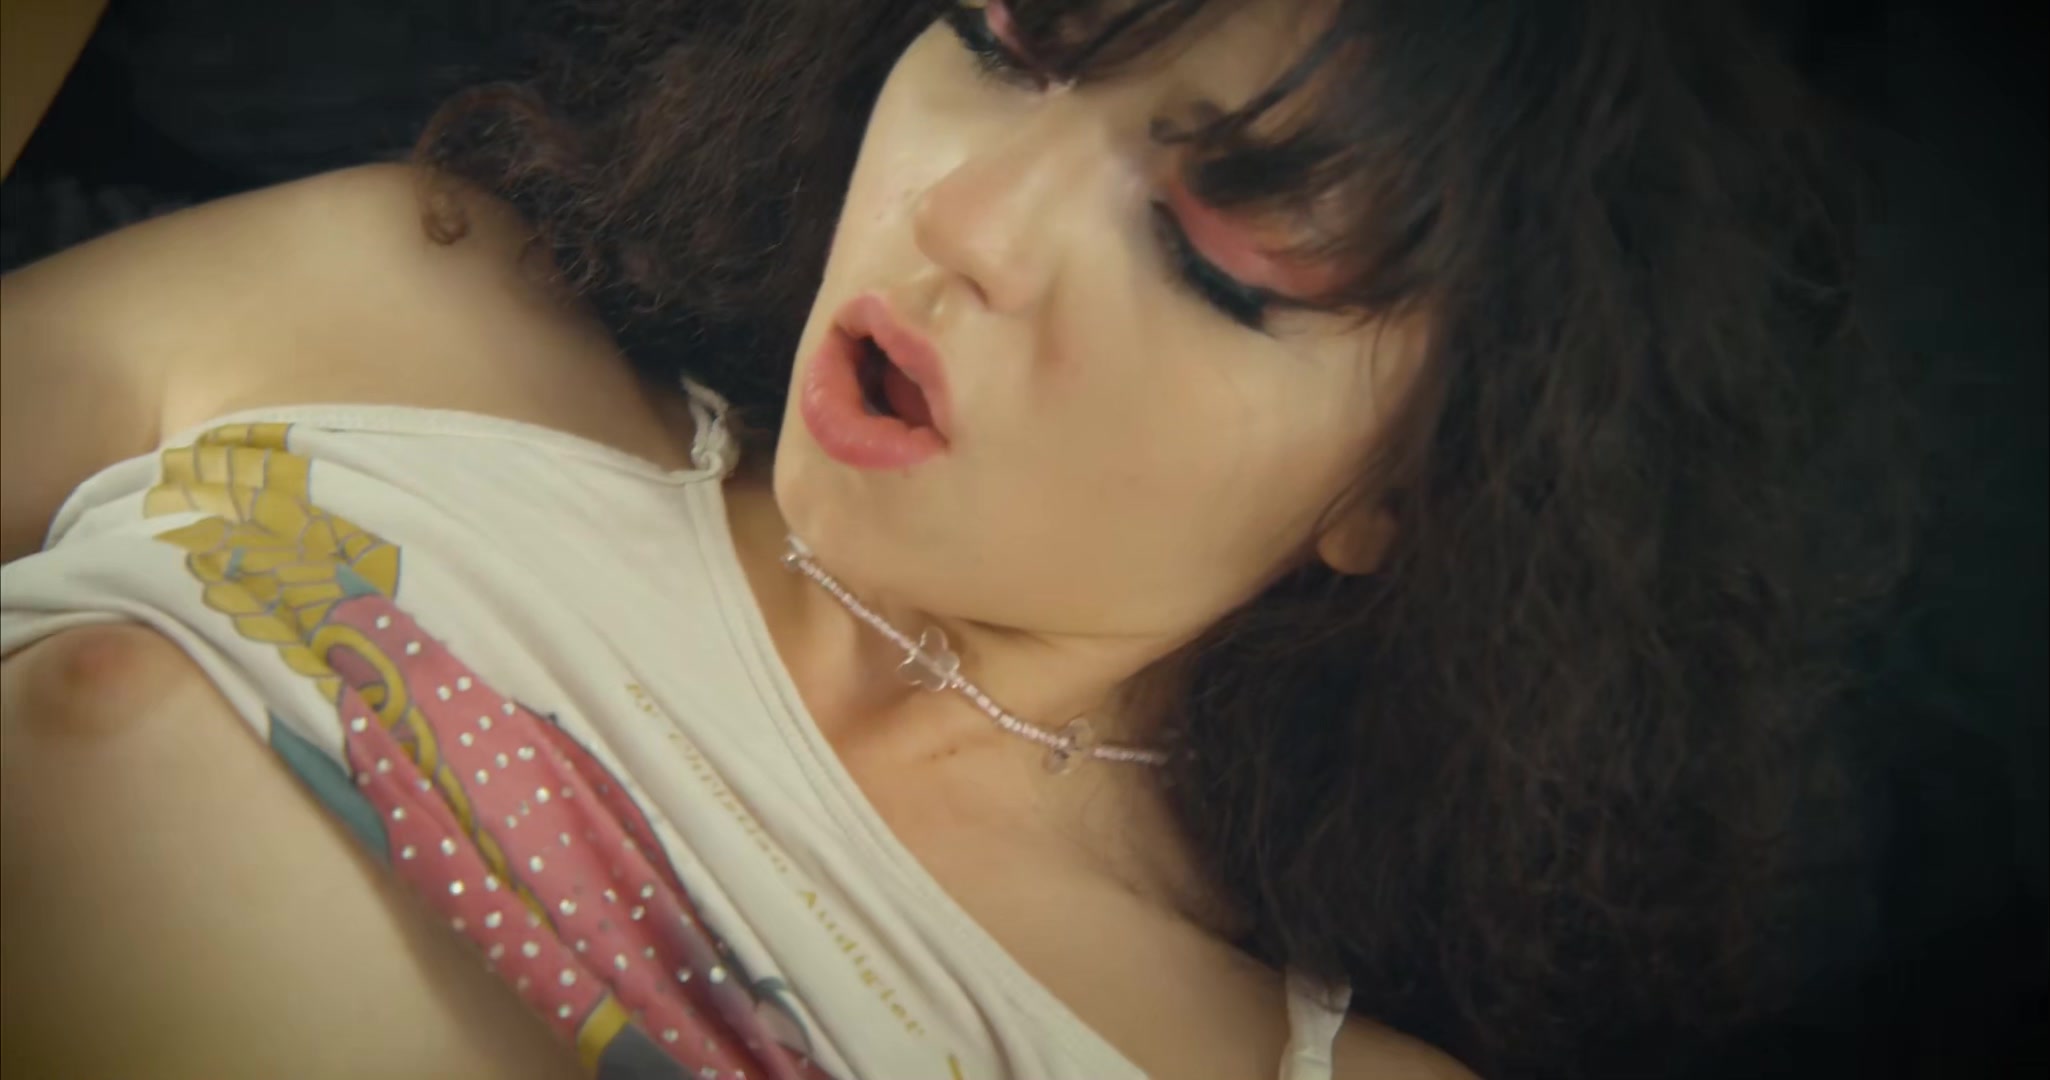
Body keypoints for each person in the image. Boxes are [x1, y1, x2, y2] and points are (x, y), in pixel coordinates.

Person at [0, 1, 1914, 1077]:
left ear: (1408, 486)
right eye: (1005, 42)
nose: (969, 220)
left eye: (1215, 253)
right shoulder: (413, 305)